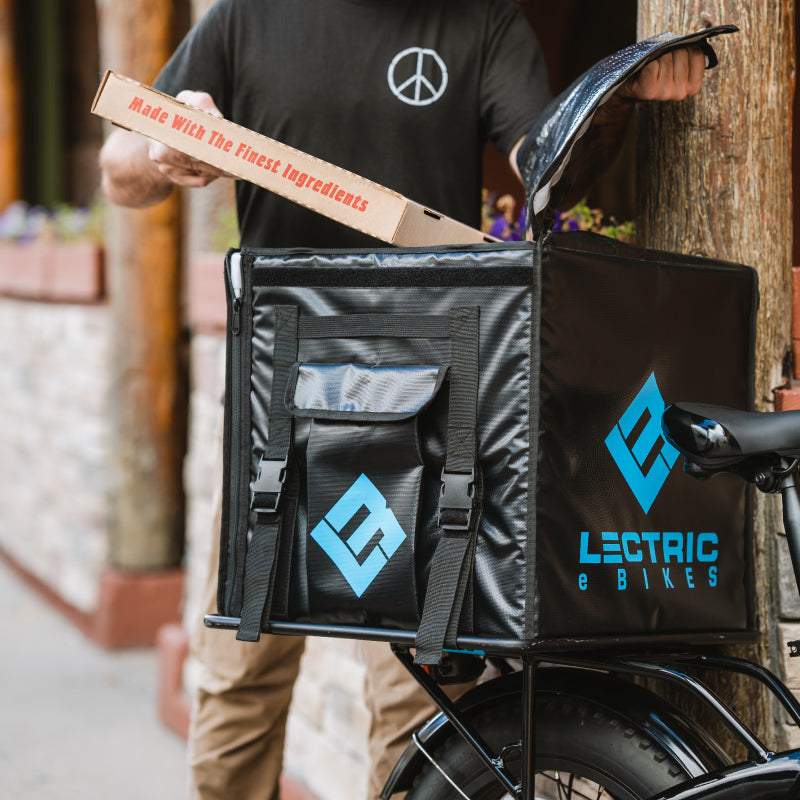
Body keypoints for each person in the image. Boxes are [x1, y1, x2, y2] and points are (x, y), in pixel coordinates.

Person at [99, 2, 708, 798]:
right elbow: (119, 168)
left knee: (420, 704)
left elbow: (548, 168)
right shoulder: (249, 16)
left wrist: (616, 95)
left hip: (429, 411)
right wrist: (161, 147)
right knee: (239, 679)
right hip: (281, 401)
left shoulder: (482, 21)